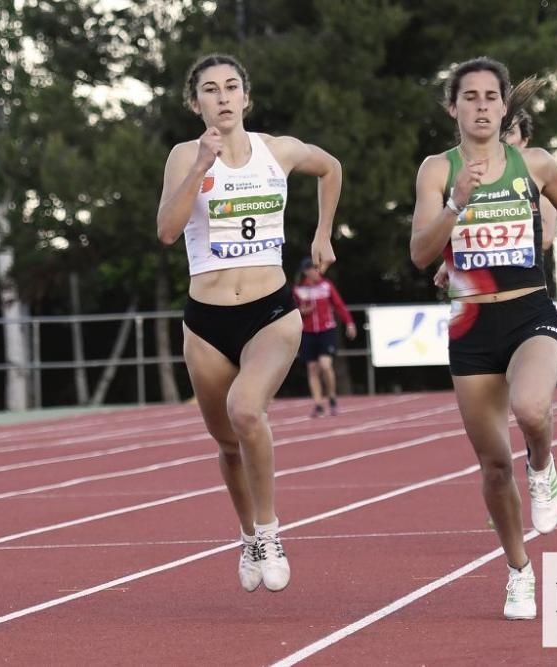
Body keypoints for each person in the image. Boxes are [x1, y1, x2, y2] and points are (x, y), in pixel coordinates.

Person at [410, 57, 557, 620]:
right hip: (470, 324)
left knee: (531, 407)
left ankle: (542, 466)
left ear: (503, 106)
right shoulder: (437, 171)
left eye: (490, 96)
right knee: (494, 465)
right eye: (469, 97)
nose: (481, 106)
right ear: (453, 108)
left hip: (528, 311)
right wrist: (454, 206)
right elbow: (422, 253)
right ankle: (519, 570)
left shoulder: (534, 163)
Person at [156, 54, 342, 593]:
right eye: (210, 90)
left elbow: (330, 167)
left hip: (271, 313)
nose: (222, 97)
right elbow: (167, 231)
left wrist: (323, 234)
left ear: (246, 97)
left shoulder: (277, 150)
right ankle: (248, 536)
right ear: (197, 104)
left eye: (231, 87)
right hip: (206, 321)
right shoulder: (182, 157)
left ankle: (270, 528)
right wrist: (199, 168)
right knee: (226, 441)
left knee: (246, 410)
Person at [433, 85, 557, 289]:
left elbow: (546, 238)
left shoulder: (536, 179)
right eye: (500, 130)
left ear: (524, 141)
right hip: (477, 292)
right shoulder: (469, 181)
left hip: (522, 290)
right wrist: (454, 258)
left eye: (510, 131)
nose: (502, 137)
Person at [293, 257, 358, 416]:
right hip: (308, 332)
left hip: (326, 330)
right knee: (312, 368)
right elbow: (292, 311)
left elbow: (339, 305)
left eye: (316, 268)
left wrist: (349, 323)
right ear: (305, 272)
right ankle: (318, 404)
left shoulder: (326, 286)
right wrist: (301, 312)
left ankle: (332, 397)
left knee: (325, 365)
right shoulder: (298, 289)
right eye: (311, 269)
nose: (315, 271)